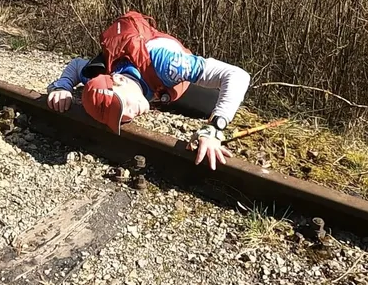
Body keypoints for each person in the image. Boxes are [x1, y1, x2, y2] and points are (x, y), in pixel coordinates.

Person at [46, 10, 251, 170]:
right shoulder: (98, 76)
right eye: (118, 115)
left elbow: (237, 76)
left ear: (119, 80)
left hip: (169, 77)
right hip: (153, 87)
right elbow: (76, 66)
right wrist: (63, 85)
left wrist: (214, 128)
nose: (128, 115)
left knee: (210, 105)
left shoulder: (168, 65)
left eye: (121, 105)